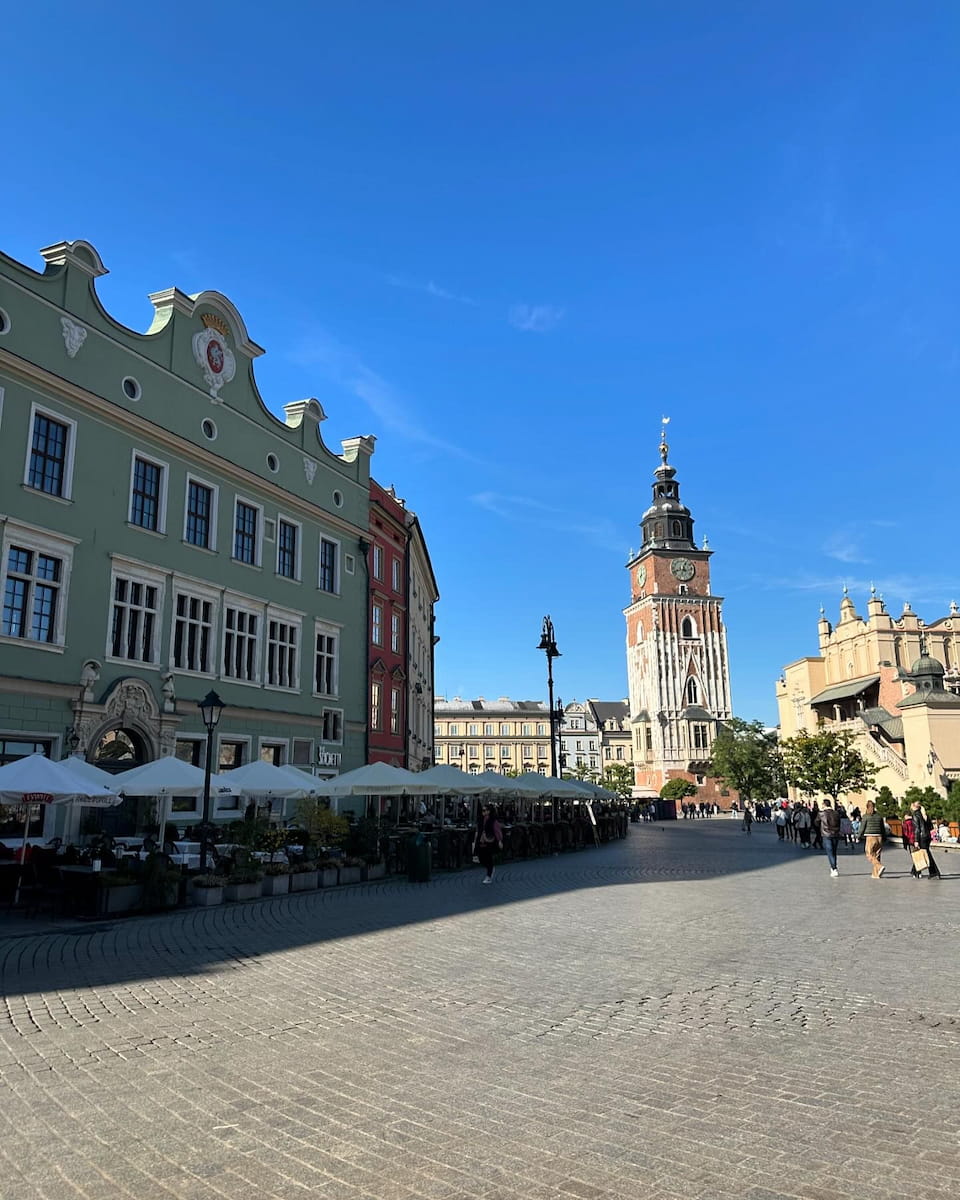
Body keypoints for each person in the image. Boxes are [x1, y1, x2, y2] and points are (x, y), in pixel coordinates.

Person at [910, 799, 941, 880]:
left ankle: (934, 873)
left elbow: (917, 829)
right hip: (927, 836)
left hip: (921, 837)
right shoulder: (924, 814)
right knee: (924, 853)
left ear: (913, 806)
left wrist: (916, 840)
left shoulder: (915, 815)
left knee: (924, 854)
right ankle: (915, 871)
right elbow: (930, 826)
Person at [475, 804, 503, 884]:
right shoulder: (481, 819)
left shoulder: (493, 820)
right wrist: (476, 838)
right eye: (482, 810)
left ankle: (489, 876)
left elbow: (497, 831)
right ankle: (490, 869)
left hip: (490, 841)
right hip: (481, 840)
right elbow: (478, 830)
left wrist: (500, 841)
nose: (482, 812)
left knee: (488, 858)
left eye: (484, 810)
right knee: (481, 858)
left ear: (488, 811)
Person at [859, 800, 886, 879]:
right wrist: (884, 837)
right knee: (877, 855)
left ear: (867, 807)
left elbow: (862, 827)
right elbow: (882, 828)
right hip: (879, 837)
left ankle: (879, 866)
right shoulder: (879, 816)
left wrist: (858, 836)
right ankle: (875, 874)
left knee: (869, 854)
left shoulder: (866, 816)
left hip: (870, 837)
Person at [818, 799, 841, 878]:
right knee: (834, 851)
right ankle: (833, 867)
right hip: (835, 833)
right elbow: (839, 822)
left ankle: (834, 868)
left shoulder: (821, 813)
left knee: (830, 852)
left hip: (826, 834)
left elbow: (816, 822)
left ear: (824, 804)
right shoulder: (836, 813)